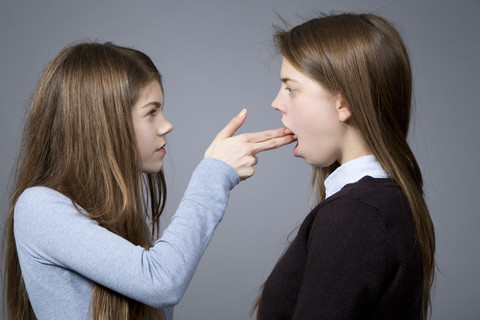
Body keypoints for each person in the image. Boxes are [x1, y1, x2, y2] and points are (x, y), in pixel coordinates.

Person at [2, 42, 295, 320]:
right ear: (103, 124)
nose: (167, 125)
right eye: (151, 112)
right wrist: (214, 172)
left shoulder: (112, 220)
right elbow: (162, 281)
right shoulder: (38, 207)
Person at [251, 13, 435, 320]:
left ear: (344, 102)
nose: (277, 103)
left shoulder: (356, 215)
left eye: (290, 88)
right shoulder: (379, 204)